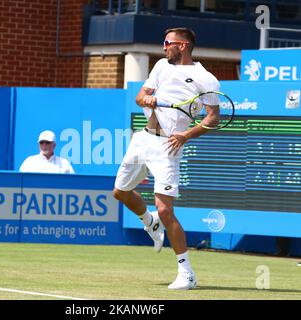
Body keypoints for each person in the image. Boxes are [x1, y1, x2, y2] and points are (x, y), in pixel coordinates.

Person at [113, 28, 220, 290]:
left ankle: (187, 274)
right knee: (120, 192)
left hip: (168, 146)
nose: (163, 48)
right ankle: (149, 223)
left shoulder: (205, 79)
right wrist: (148, 98)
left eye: (167, 43)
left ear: (182, 46)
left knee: (165, 208)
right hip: (143, 139)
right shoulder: (161, 66)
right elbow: (140, 96)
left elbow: (213, 117)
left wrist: (186, 135)